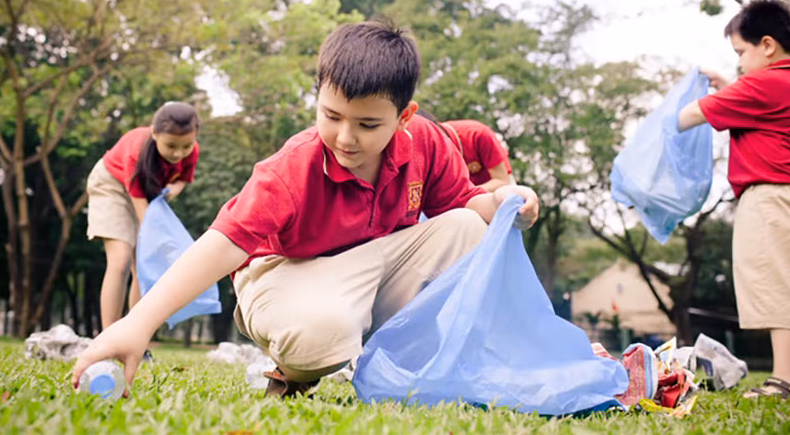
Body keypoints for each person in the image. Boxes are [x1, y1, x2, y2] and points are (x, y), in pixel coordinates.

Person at [72, 22, 539, 398]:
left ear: (404, 116)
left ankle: (408, 361)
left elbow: (466, 203)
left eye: (368, 124)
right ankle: (296, 371)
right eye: (331, 116)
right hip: (285, 275)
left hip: (370, 268)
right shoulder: (294, 166)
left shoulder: (429, 144)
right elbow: (221, 245)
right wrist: (138, 323)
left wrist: (503, 201)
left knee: (468, 228)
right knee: (320, 336)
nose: (345, 138)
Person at [677, 0, 790, 400]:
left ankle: (788, 382)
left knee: (779, 287)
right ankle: (787, 377)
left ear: (768, 45)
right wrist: (728, 82)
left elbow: (689, 116)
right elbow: (750, 103)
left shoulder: (762, 84)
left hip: (771, 195)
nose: (740, 63)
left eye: (742, 53)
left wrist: (678, 104)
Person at [86, 101, 200, 332]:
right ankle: (109, 338)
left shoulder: (190, 150)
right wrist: (155, 234)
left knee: (144, 266)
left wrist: (170, 192)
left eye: (186, 146)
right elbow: (141, 210)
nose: (179, 154)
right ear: (154, 133)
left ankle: (133, 335)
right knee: (121, 259)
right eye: (170, 146)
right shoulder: (137, 150)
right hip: (111, 186)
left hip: (149, 196)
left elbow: (182, 181)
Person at [416, 109, 515, 192]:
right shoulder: (422, 154)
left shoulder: (477, 134)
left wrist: (465, 194)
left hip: (498, 188)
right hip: (464, 197)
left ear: (436, 124)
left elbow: (501, 180)